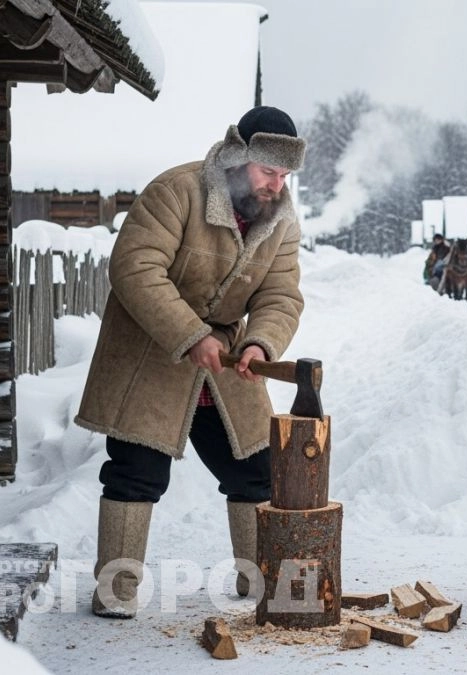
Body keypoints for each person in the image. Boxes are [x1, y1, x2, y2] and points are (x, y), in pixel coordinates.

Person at [74, 106, 307, 619]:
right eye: (269, 171)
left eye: (284, 174)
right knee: (137, 472)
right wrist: (189, 333)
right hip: (148, 353)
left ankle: (258, 582)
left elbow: (281, 295)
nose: (276, 184)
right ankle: (116, 592)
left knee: (256, 469)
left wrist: (260, 344)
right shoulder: (177, 191)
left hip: (224, 364)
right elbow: (134, 268)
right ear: (238, 156)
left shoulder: (281, 221)